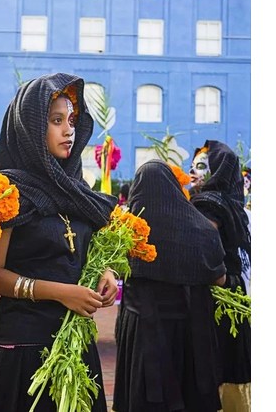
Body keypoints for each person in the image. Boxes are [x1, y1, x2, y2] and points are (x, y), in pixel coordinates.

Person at [0, 74, 119, 412]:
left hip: (73, 342)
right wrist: (62, 292)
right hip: (24, 349)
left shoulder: (74, 188)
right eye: (56, 121)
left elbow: (80, 247)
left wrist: (103, 271)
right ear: (30, 127)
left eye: (72, 121)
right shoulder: (6, 191)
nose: (68, 131)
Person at [113, 160, 227, 412]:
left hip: (144, 333)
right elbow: (220, 278)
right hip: (191, 334)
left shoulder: (127, 234)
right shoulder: (202, 230)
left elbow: (111, 272)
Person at [188, 141, 252, 412]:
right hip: (239, 299)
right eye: (192, 166)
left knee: (216, 364)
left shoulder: (207, 206)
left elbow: (204, 256)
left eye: (201, 167)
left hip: (216, 300)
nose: (192, 172)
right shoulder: (237, 205)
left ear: (220, 171)